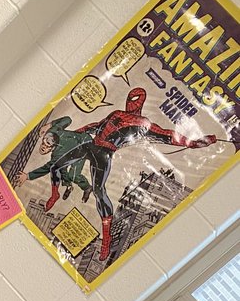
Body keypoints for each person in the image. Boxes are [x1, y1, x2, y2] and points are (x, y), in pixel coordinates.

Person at [48, 88, 217, 261]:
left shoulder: (143, 123)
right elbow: (97, 125)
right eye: (132, 98)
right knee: (56, 165)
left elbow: (167, 135)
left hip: (104, 153)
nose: (132, 102)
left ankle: (106, 240)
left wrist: (193, 143)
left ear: (141, 102)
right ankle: (54, 194)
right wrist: (77, 132)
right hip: (92, 144)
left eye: (136, 99)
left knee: (99, 192)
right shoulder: (117, 113)